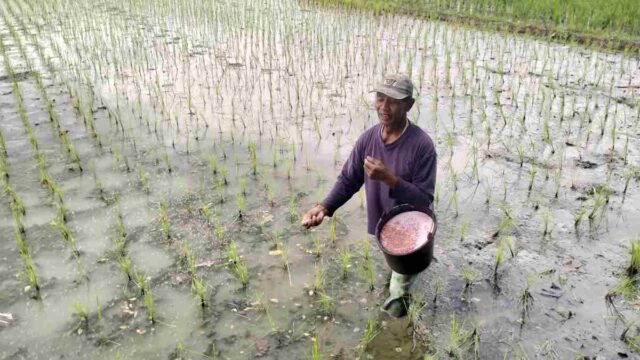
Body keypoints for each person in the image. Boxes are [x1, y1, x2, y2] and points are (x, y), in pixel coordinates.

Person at [301, 73, 437, 318]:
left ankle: (392, 332)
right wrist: (323, 207)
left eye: (393, 101)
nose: (384, 107)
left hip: (412, 232)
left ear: (409, 105)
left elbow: (424, 202)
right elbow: (349, 179)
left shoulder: (422, 146)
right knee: (394, 269)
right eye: (380, 98)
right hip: (386, 228)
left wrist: (390, 179)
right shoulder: (368, 139)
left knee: (397, 294)